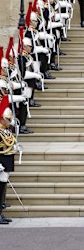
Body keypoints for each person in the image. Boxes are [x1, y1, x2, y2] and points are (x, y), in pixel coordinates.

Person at [0, 96, 17, 225]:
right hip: (1, 161)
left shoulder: (6, 130)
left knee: (3, 187)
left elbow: (10, 143)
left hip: (7, 160)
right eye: (8, 119)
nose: (9, 122)